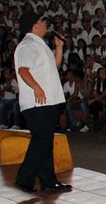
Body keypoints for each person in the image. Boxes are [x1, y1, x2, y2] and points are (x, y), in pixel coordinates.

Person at [12, 11, 71, 194]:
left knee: (45, 141)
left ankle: (48, 181)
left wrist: (59, 48)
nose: (46, 24)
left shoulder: (40, 44)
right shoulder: (29, 44)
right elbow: (23, 70)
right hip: (37, 101)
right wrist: (37, 88)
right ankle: (24, 179)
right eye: (41, 21)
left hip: (47, 100)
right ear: (34, 25)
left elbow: (55, 67)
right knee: (41, 141)